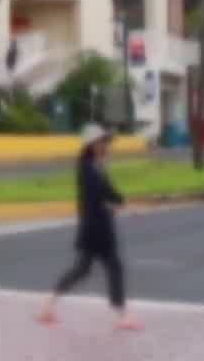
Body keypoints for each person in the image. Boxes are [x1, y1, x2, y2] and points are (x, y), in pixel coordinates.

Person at [37, 124, 140, 330]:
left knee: (83, 269)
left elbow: (108, 191)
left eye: (107, 142)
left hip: (96, 225)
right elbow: (100, 192)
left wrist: (119, 202)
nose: (107, 146)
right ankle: (121, 315)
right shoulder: (86, 167)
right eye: (104, 142)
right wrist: (117, 203)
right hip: (96, 228)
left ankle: (48, 306)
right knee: (111, 267)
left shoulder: (95, 164)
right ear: (93, 145)